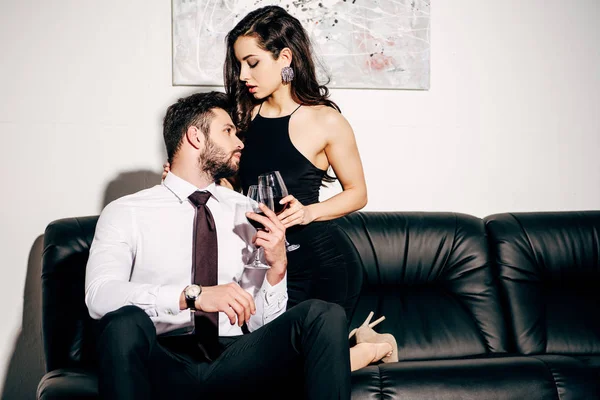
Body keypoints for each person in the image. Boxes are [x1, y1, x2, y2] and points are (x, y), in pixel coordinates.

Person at [163, 5, 397, 371]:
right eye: (239, 64)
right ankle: (359, 347)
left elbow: (358, 192)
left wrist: (307, 212)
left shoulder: (326, 120)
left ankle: (372, 349)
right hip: (265, 264)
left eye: (252, 63)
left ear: (284, 57)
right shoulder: (240, 117)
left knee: (298, 367)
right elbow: (227, 181)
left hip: (323, 262)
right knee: (267, 365)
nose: (242, 75)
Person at [85, 91, 352, 399]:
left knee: (324, 314)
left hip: (235, 358)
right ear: (195, 137)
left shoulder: (247, 210)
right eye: (228, 131)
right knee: (123, 322)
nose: (240, 142)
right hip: (161, 358)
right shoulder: (126, 212)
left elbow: (261, 322)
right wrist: (192, 296)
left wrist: (277, 267)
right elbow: (99, 296)